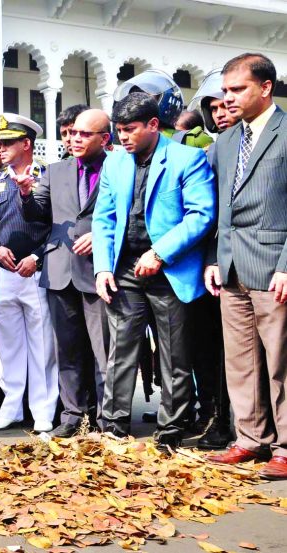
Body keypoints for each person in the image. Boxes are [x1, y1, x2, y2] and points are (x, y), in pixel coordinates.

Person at [92, 92, 216, 450]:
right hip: (124, 270)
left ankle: (171, 429)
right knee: (121, 350)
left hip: (169, 271)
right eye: (118, 131)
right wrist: (102, 267)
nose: (123, 138)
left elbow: (201, 215)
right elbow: (103, 219)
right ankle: (113, 425)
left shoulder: (187, 159)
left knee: (174, 354)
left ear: (152, 125)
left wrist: (159, 253)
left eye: (130, 130)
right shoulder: (115, 163)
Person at [204, 54, 287, 479]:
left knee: (280, 361)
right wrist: (212, 260)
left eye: (238, 89)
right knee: (241, 360)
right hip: (231, 267)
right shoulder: (225, 142)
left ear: (266, 87)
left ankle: (285, 446)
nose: (229, 98)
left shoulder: (286, 133)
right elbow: (220, 209)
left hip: (275, 267)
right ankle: (250, 439)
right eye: (226, 90)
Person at [20, 109, 112, 437]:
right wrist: (26, 194)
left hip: (99, 271)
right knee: (67, 350)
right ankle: (73, 415)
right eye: (71, 134)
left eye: (83, 134)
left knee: (104, 350)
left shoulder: (118, 168)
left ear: (105, 138)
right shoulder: (54, 171)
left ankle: (107, 418)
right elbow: (38, 215)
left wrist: (103, 237)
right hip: (60, 270)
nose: (74, 139)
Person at [0, 114, 57, 433]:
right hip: (3, 271)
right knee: (8, 343)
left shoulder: (48, 175)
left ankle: (43, 411)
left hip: (36, 272)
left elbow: (58, 225)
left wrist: (38, 257)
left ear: (26, 144)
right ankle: (11, 406)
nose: (0, 149)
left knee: (42, 345)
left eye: (7, 143)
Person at [184, 69, 239, 451]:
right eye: (213, 107)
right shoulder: (208, 151)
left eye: (225, 104)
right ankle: (216, 416)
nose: (219, 113)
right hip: (212, 263)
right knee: (210, 350)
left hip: (255, 263)